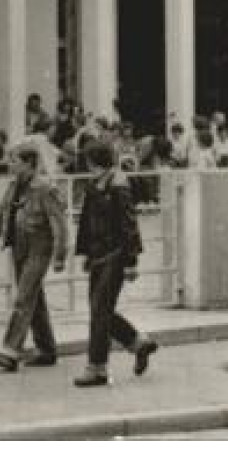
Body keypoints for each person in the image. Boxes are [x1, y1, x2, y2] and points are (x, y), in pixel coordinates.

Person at [72, 139, 159, 387]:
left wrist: (131, 260)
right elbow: (87, 223)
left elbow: (128, 225)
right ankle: (137, 342)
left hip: (116, 255)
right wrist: (87, 254)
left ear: (94, 161)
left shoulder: (119, 186)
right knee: (99, 309)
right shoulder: (95, 185)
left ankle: (97, 367)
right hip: (99, 254)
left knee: (100, 310)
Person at [0, 144, 68, 371]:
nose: (10, 164)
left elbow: (59, 225)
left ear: (29, 163)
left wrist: (59, 256)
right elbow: (1, 217)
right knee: (34, 299)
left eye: (15, 160)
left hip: (39, 248)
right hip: (18, 247)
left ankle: (10, 350)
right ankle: (47, 349)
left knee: (24, 298)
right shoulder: (13, 187)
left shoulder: (45, 188)